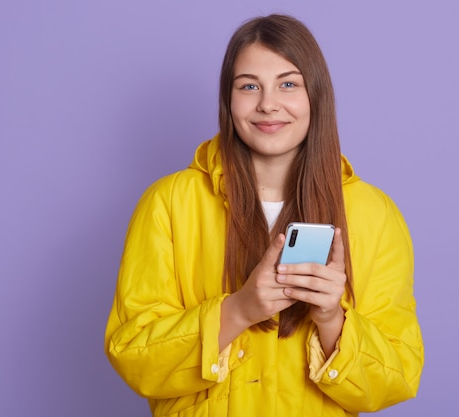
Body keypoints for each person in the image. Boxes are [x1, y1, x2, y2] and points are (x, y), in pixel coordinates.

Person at [105, 14, 423, 417]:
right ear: (228, 99)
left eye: (288, 84)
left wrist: (331, 319)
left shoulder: (372, 213)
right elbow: (133, 356)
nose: (268, 103)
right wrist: (238, 311)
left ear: (316, 96)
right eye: (249, 86)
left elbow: (398, 376)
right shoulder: (169, 202)